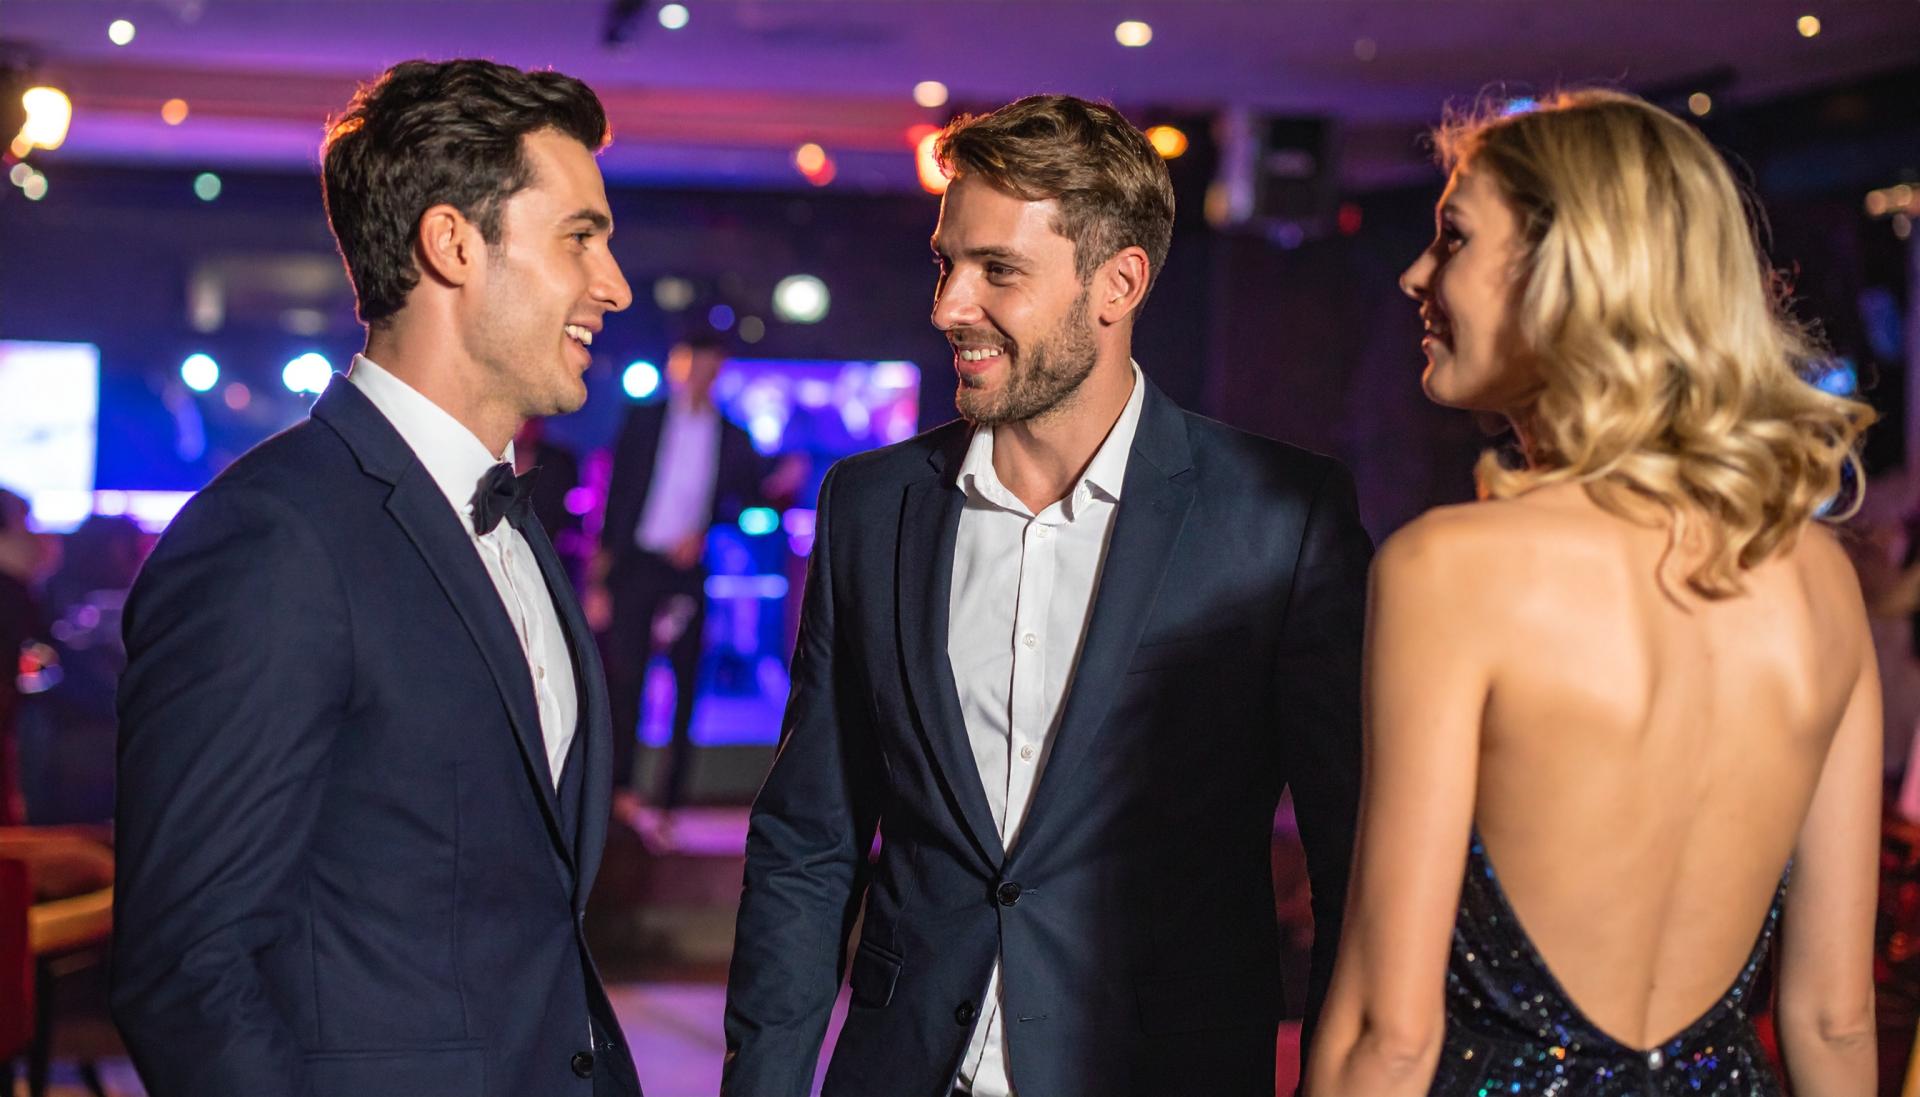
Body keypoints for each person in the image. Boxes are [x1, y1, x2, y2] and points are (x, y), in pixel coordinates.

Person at [722, 94, 1372, 1097]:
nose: (948, 304)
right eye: (947, 262)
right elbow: (811, 843)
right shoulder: (872, 505)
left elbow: (1350, 861)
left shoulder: (1280, 516)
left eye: (998, 271)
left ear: (1118, 283)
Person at [1305, 89, 1880, 1097]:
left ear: (1571, 271)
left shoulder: (1451, 569)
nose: (1414, 274)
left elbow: (1386, 1037)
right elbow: (1833, 1019)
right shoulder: (1823, 581)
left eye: (1452, 237)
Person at [112, 59, 641, 1097]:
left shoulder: (516, 522)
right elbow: (187, 968)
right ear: (453, 243)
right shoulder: (273, 539)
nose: (612, 282)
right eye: (581, 236)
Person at [592, 331, 765, 822]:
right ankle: (620, 789)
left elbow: (745, 498)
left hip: (689, 569)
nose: (700, 373)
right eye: (693, 362)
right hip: (636, 564)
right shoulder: (643, 421)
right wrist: (601, 576)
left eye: (711, 364)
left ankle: (671, 799)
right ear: (676, 365)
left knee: (687, 680)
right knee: (625, 678)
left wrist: (709, 529)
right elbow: (616, 497)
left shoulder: (732, 433)